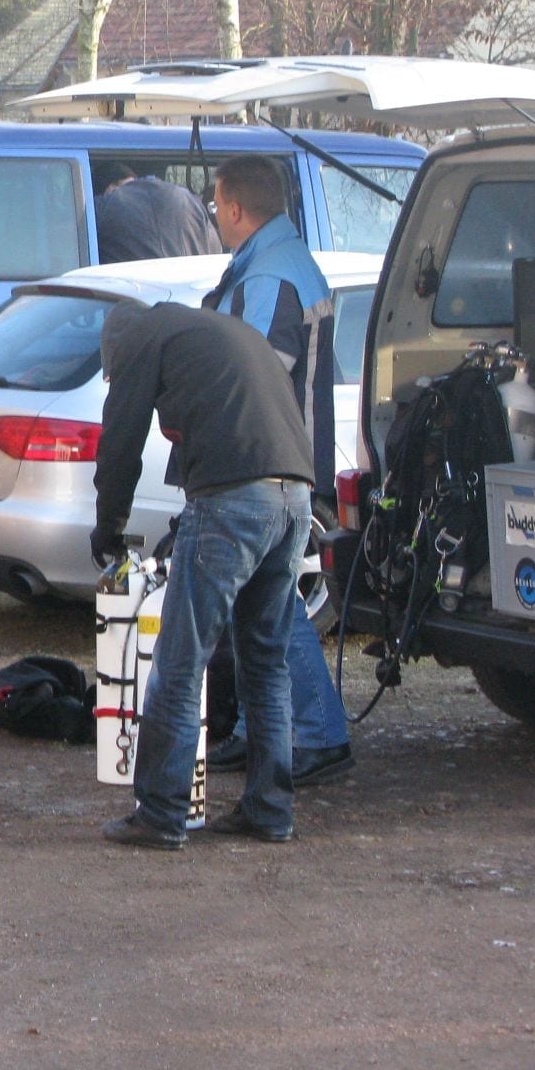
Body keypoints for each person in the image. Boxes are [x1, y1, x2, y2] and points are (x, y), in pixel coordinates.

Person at [91, 302, 315, 848]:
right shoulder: (212, 334)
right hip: (296, 499)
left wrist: (109, 526)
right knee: (266, 661)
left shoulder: (140, 339)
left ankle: (161, 814)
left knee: (180, 661)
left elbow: (120, 442)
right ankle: (270, 810)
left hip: (233, 501)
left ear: (116, 349)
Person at [199, 154, 354, 785]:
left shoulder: (270, 277)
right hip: (280, 463)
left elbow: (251, 376)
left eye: (216, 203)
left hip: (265, 465)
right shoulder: (277, 264)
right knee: (256, 603)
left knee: (274, 606)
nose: (213, 213)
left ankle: (319, 734)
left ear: (235, 208)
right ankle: (256, 730)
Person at [91, 160, 224, 265]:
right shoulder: (189, 200)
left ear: (109, 188)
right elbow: (215, 252)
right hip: (192, 290)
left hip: (133, 290)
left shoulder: (102, 207)